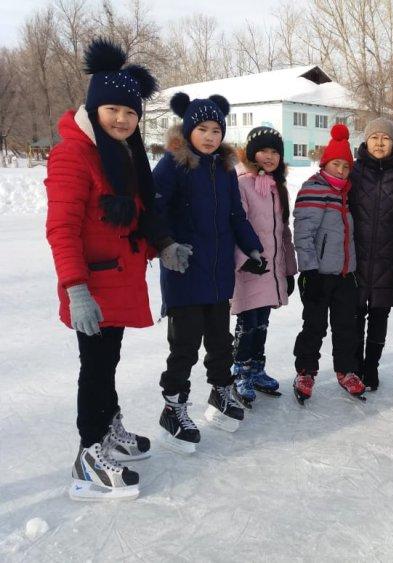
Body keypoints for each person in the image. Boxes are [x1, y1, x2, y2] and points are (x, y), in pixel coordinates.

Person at [45, 38, 175, 500]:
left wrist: (163, 246)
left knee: (108, 361)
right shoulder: (73, 154)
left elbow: (138, 214)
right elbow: (61, 228)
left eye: (130, 112)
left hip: (118, 280)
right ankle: (89, 454)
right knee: (96, 368)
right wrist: (75, 289)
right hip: (93, 286)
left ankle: (109, 428)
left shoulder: (124, 152)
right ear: (94, 108)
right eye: (112, 110)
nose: (121, 119)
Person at [153, 92, 265, 452]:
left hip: (218, 275)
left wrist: (252, 247)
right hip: (185, 271)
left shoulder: (225, 169)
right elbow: (153, 209)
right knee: (184, 346)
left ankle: (220, 391)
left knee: (220, 342)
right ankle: (173, 408)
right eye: (202, 129)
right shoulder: (173, 164)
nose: (210, 136)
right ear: (188, 130)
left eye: (216, 130)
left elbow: (236, 216)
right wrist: (165, 245)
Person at [291, 124, 366, 404]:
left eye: (346, 166)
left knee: (346, 326)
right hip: (319, 275)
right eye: (336, 164)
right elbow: (303, 233)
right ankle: (305, 371)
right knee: (315, 325)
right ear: (325, 164)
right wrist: (309, 270)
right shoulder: (314, 188)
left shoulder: (345, 193)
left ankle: (346, 370)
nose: (342, 171)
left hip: (345, 275)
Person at [230, 126, 297, 406]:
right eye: (263, 151)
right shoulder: (241, 184)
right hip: (250, 269)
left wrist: (288, 270)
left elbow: (283, 232)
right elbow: (234, 225)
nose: (269, 157)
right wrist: (246, 259)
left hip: (271, 270)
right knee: (248, 323)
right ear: (251, 154)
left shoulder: (277, 187)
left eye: (274, 152)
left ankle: (257, 368)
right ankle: (240, 371)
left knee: (262, 323)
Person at [349, 117, 393, 391]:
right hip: (356, 256)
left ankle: (371, 367)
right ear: (366, 141)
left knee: (379, 315)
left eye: (385, 138)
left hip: (389, 257)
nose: (379, 143)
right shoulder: (353, 172)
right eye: (374, 137)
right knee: (354, 315)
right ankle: (354, 367)